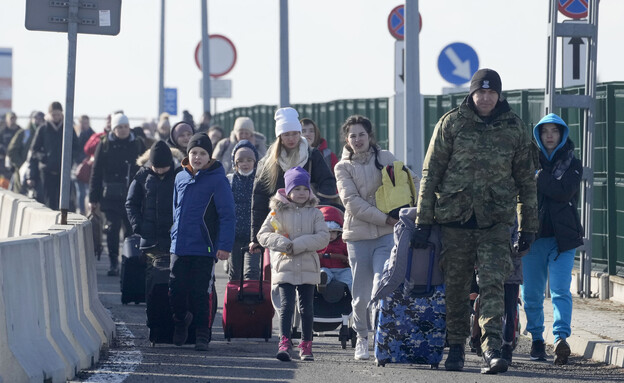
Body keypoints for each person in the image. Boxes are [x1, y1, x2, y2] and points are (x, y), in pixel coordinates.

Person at [412, 68, 538, 374]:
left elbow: (526, 182)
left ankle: (493, 348)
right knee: (456, 288)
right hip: (455, 220)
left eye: (491, 93)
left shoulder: (514, 128)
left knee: (494, 283)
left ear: (499, 95)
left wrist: (528, 226)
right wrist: (423, 220)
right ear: (471, 94)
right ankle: (455, 347)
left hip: (495, 222)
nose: (485, 98)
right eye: (480, 93)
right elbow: (431, 174)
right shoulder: (452, 123)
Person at [334, 114, 417, 361]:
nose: (358, 140)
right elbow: (352, 203)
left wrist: (429, 197)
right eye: (353, 136)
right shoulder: (342, 167)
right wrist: (386, 218)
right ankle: (361, 337)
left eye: (362, 134)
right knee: (360, 295)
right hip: (358, 237)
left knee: (383, 284)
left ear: (370, 136)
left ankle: (382, 337)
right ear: (347, 140)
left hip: (385, 236)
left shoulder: (386, 158)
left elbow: (409, 182)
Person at [521, 113, 583, 366]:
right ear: (537, 135)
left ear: (562, 134)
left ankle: (560, 339)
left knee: (560, 291)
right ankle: (537, 338)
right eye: (544, 131)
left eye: (554, 131)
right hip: (532, 238)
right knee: (532, 294)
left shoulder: (572, 162)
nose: (549, 135)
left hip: (562, 240)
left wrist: (538, 176)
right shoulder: (524, 162)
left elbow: (563, 191)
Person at [169, 132, 235, 351]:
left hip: (204, 247)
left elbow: (227, 215)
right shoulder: (180, 177)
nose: (197, 157)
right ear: (188, 154)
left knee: (200, 292)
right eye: (194, 152)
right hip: (179, 245)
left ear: (209, 156)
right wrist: (173, 234)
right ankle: (180, 321)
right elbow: (175, 209)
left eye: (202, 153)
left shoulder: (218, 180)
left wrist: (224, 246)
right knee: (176, 289)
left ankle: (202, 333)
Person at [257, 166, 330, 362]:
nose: (301, 193)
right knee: (287, 306)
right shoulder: (276, 212)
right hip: (285, 265)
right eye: (296, 189)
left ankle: (306, 344)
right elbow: (263, 235)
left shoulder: (315, 213)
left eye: (305, 189)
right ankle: (284, 341)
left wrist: (298, 245)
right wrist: (282, 243)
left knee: (307, 307)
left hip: (307, 265)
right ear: (288, 191)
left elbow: (323, 237)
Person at [250, 107, 337, 258]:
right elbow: (259, 199)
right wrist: (255, 237)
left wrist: (317, 205)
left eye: (295, 133)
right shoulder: (270, 162)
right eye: (286, 134)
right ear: (280, 136)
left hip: (307, 223)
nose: (291, 138)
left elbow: (327, 182)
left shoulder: (311, 155)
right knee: (280, 271)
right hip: (280, 226)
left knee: (307, 267)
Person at [89, 112, 146, 276]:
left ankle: (128, 261)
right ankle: (114, 262)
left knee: (131, 231)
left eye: (126, 126)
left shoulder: (137, 143)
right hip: (111, 197)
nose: (123, 130)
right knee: (112, 229)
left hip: (132, 196)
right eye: (119, 127)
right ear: (114, 129)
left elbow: (145, 168)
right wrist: (93, 198)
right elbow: (96, 172)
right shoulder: (105, 144)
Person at [27, 102, 81, 210]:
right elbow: (34, 149)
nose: (56, 117)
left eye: (58, 114)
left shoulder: (68, 128)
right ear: (49, 115)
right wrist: (44, 158)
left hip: (64, 171)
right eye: (54, 114)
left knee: (65, 201)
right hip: (47, 171)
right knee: (49, 200)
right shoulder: (43, 129)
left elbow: (76, 147)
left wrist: (68, 159)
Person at [226, 139, 261, 281]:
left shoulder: (260, 181)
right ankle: (234, 301)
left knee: (252, 272)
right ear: (235, 163)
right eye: (241, 161)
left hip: (254, 236)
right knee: (235, 273)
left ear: (255, 162)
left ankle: (251, 301)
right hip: (234, 235)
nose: (245, 164)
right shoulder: (230, 180)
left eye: (249, 160)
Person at [316, 205, 351, 293]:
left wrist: (348, 260)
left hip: (341, 269)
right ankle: (321, 282)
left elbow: (349, 255)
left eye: (333, 232)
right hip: (325, 268)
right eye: (328, 232)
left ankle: (355, 296)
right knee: (323, 272)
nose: (330, 235)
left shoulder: (343, 243)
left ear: (339, 232)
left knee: (350, 276)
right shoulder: (317, 243)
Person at [7, 111, 44, 194]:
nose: (38, 121)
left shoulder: (45, 135)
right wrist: (21, 165)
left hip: (40, 174)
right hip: (21, 173)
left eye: (41, 119)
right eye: (36, 118)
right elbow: (12, 151)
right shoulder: (24, 134)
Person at [74, 115, 95, 215]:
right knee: (80, 192)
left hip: (88, 168)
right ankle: (81, 210)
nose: (83, 125)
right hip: (77, 167)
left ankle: (87, 211)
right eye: (82, 122)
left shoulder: (93, 135)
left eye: (85, 122)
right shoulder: (76, 135)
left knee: (87, 191)